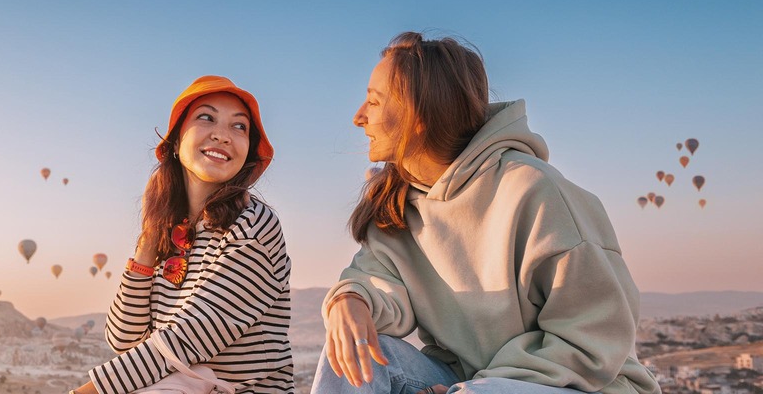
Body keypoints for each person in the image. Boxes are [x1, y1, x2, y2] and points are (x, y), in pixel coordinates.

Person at [312, 32, 661, 394]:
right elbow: (376, 278)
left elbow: (592, 337)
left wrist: (477, 389)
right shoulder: (397, 205)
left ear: (420, 113)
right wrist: (350, 299)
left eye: (374, 102)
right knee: (356, 354)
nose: (358, 118)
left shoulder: (533, 191)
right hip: (469, 382)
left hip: (574, 385)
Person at [72, 76, 295, 394]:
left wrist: (87, 391)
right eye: (207, 118)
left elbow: (194, 334)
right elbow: (124, 338)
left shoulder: (254, 225)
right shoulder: (172, 230)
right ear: (176, 142)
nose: (222, 135)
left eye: (239, 127)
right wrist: (148, 247)